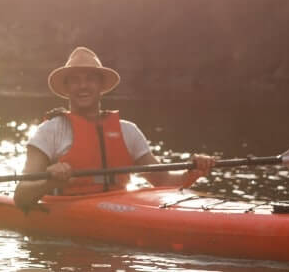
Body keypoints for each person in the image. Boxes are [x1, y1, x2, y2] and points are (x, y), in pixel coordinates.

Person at [13, 47, 216, 208]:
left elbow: (163, 180)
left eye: (90, 79)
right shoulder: (49, 132)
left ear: (101, 86)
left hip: (120, 211)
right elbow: (21, 196)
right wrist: (50, 181)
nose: (83, 86)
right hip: (67, 214)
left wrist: (194, 170)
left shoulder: (128, 132)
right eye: (75, 80)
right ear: (66, 89)